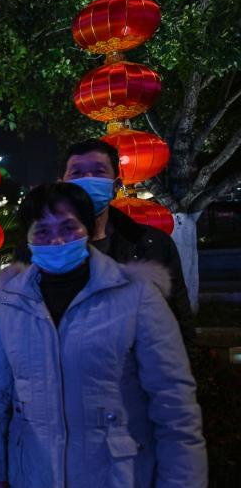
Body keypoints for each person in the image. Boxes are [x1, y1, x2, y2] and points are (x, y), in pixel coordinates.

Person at [0, 182, 208, 488]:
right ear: (28, 241)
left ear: (88, 230)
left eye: (67, 227)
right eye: (41, 232)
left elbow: (173, 400)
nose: (56, 239)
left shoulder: (135, 295)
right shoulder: (11, 301)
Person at [14, 138, 194, 344]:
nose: (87, 180)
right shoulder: (33, 251)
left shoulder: (152, 245)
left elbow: (179, 323)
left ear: (115, 185)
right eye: (77, 173)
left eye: (99, 172)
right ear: (61, 185)